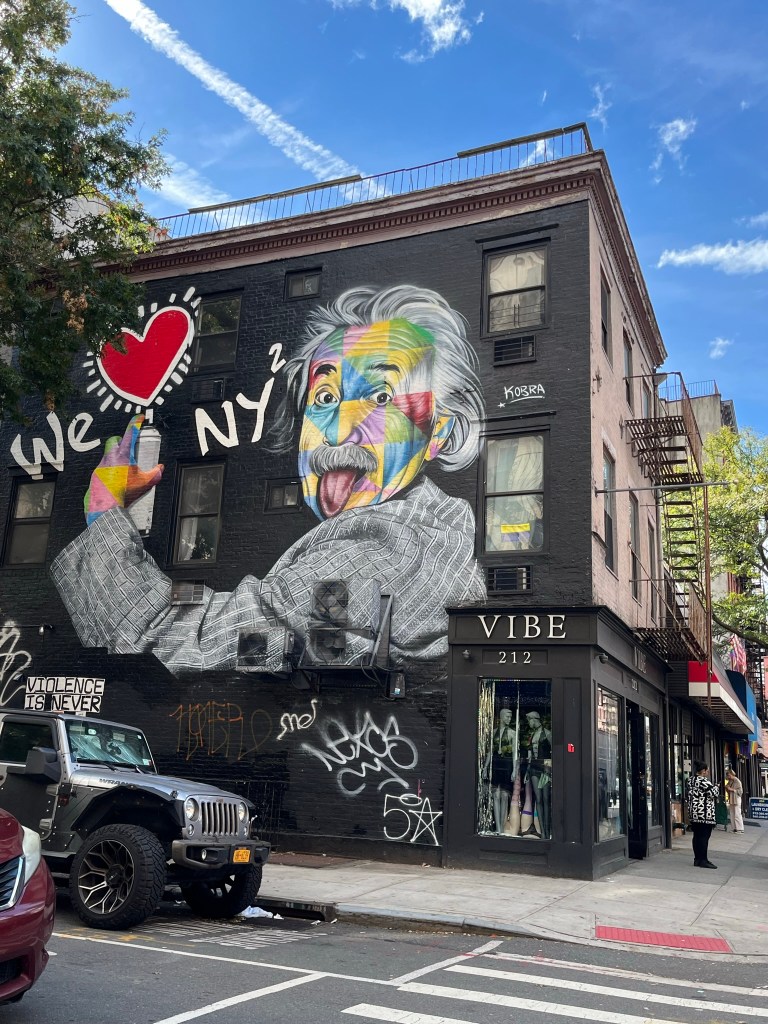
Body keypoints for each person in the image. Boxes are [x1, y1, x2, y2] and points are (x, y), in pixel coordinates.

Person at [51, 285, 487, 675]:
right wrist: (190, 592)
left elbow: (177, 641)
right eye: (325, 397)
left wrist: (104, 509)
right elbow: (257, 617)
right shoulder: (432, 532)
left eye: (380, 396)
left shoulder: (386, 550)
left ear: (439, 432)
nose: (338, 430)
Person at [485, 706, 517, 834]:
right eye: (507, 717)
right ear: (502, 717)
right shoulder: (494, 732)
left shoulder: (512, 733)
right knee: (496, 795)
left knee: (504, 795)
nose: (509, 719)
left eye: (510, 717)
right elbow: (489, 751)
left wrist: (514, 770)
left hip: (507, 764)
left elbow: (514, 754)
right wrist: (486, 767)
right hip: (496, 764)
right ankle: (498, 828)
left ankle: (502, 828)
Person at [524, 710, 552, 839]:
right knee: (539, 799)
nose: (529, 723)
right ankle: (543, 832)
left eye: (529, 720)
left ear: (534, 719)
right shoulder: (532, 735)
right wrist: (527, 770)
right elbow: (529, 755)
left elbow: (552, 752)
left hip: (545, 769)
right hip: (534, 769)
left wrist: (548, 768)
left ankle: (547, 830)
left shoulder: (547, 734)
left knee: (546, 799)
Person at [686, 760, 718, 868]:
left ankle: (697, 859)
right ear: (703, 771)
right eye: (707, 770)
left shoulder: (690, 780)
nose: (708, 772)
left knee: (696, 836)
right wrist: (716, 787)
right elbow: (714, 793)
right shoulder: (704, 781)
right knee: (704, 837)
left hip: (693, 812)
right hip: (704, 813)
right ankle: (703, 860)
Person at [726, 767, 744, 833]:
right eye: (728, 776)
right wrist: (727, 787)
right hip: (731, 798)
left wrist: (732, 789)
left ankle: (740, 829)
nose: (728, 777)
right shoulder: (730, 781)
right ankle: (734, 828)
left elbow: (740, 792)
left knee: (737, 814)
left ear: (732, 774)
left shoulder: (737, 781)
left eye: (729, 775)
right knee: (732, 814)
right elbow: (727, 786)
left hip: (736, 798)